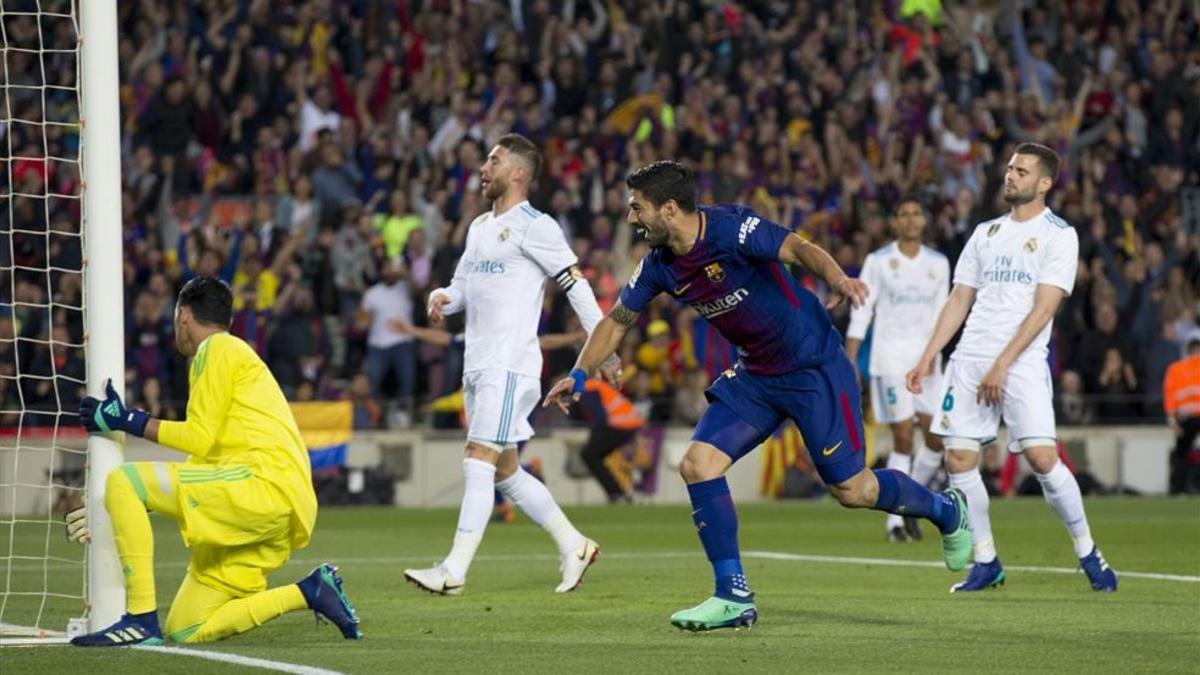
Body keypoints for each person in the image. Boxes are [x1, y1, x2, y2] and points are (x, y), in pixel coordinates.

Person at [544, 160, 971, 632]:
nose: (630, 219)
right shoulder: (660, 265)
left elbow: (796, 246)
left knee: (853, 490)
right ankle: (733, 594)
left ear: (668, 209)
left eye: (637, 208)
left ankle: (945, 509)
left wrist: (837, 279)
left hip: (813, 367)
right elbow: (616, 322)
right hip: (756, 374)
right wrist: (580, 375)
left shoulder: (730, 228)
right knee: (697, 465)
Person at [70, 276, 360, 646]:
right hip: (274, 503)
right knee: (187, 627)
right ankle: (311, 591)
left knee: (124, 481)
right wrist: (137, 506)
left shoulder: (217, 349)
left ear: (183, 315)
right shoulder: (234, 355)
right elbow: (207, 453)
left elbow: (198, 437)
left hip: (261, 485)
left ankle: (140, 619)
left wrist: (126, 420)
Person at [403, 133, 617, 596]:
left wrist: (605, 344)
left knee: (477, 460)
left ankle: (454, 571)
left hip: (509, 364)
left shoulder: (536, 225)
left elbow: (576, 285)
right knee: (506, 472)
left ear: (517, 172)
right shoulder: (479, 226)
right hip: (477, 364)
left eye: (493, 160)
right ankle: (574, 544)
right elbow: (462, 286)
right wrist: (441, 297)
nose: (484, 167)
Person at [907, 142, 1118, 593]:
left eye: (1021, 171)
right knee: (958, 457)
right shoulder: (984, 233)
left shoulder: (1060, 235)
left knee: (1043, 458)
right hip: (969, 360)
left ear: (1045, 183)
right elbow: (960, 298)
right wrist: (928, 356)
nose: (1010, 176)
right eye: (1009, 168)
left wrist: (1003, 363)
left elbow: (1044, 309)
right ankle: (986, 561)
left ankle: (1086, 549)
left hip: (1020, 363)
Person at [846, 197, 951, 542]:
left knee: (937, 439)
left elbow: (942, 311)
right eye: (903, 213)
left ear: (924, 221)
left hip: (927, 361)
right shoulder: (878, 262)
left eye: (916, 212)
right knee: (904, 438)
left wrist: (936, 353)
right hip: (890, 360)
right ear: (895, 222)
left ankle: (913, 500)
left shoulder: (938, 263)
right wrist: (851, 354)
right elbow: (863, 308)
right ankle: (894, 521)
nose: (910, 219)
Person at [571, 377, 646, 503]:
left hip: (620, 424)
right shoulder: (594, 385)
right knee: (593, 455)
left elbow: (600, 416)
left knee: (589, 454)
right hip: (629, 423)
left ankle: (616, 494)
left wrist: (593, 438)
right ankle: (619, 493)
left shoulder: (587, 388)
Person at [1164, 338, 1200, 494]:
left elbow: (1170, 395)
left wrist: (1172, 419)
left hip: (1186, 419)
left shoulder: (1176, 369)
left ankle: (1179, 488)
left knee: (1182, 454)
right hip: (1192, 418)